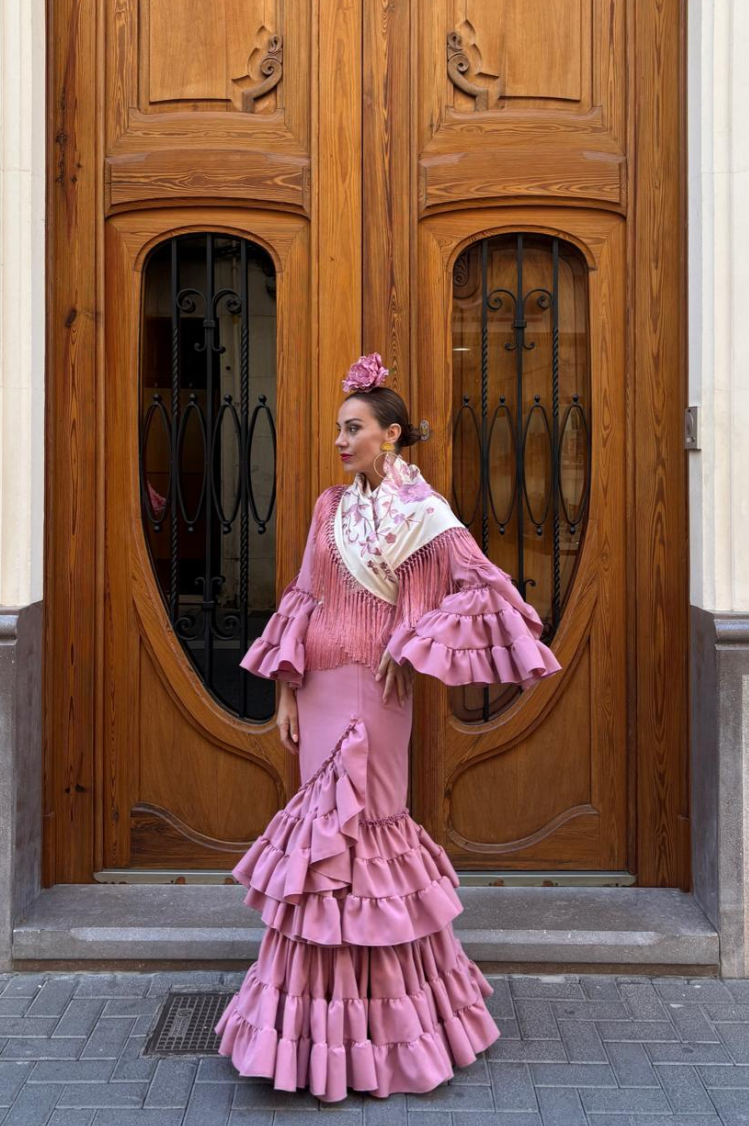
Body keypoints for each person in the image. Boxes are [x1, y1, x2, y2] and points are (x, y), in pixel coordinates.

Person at [214, 352, 562, 1102]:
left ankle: (386, 1030)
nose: (340, 441)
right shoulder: (327, 508)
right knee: (317, 846)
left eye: (354, 428)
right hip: (318, 688)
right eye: (339, 429)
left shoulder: (426, 516)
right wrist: (285, 690)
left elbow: (482, 587)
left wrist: (413, 640)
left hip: (377, 697)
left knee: (366, 839)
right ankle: (312, 1033)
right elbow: (304, 597)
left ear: (391, 434)